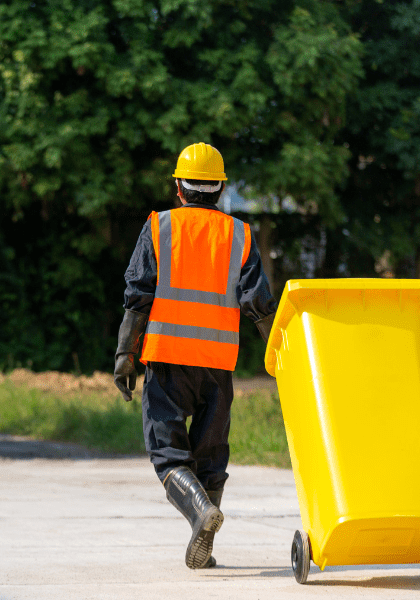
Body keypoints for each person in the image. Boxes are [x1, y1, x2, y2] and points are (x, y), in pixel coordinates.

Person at [113, 142, 277, 569]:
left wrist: (125, 355)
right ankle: (205, 545)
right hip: (217, 364)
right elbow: (258, 302)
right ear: (219, 189)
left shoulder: (159, 227)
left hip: (167, 359)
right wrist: (280, 355)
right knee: (210, 454)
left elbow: (138, 297)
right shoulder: (239, 234)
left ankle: (200, 515)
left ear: (179, 188)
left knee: (168, 452)